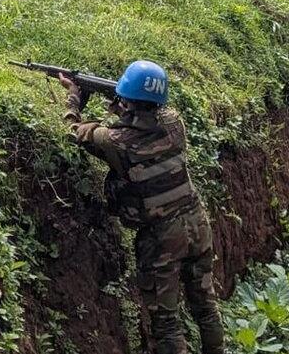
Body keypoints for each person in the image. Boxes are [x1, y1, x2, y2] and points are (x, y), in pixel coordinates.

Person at [58, 61, 223, 354]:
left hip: (162, 238)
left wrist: (74, 97)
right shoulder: (174, 123)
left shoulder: (117, 141)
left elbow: (73, 130)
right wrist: (123, 104)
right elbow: (145, 120)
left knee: (167, 324)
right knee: (206, 307)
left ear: (127, 97)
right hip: (197, 223)